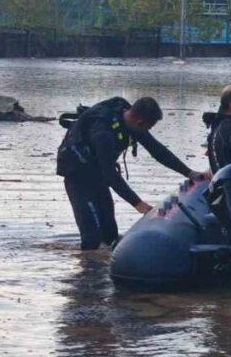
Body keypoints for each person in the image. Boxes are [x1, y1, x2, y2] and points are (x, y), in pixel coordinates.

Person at [56, 96, 211, 250]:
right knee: (91, 239)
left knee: (110, 234)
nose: (147, 132)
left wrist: (189, 173)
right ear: (140, 122)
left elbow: (157, 150)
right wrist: (138, 204)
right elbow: (110, 174)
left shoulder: (130, 122)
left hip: (98, 175)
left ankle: (103, 268)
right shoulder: (103, 133)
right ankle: (88, 271)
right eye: (149, 127)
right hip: (78, 178)